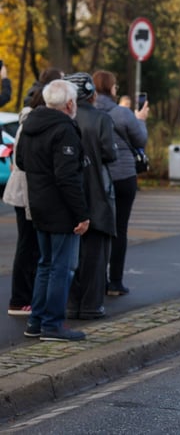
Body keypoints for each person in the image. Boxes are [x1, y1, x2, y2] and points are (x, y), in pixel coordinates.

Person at [16, 79, 90, 341]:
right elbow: (67, 177)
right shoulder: (64, 129)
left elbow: (21, 161)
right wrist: (82, 214)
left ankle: (36, 321)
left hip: (37, 204)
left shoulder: (30, 125)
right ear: (69, 103)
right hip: (61, 210)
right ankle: (52, 324)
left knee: (45, 264)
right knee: (61, 267)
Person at [3, 68, 64, 316]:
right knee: (27, 246)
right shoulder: (31, 123)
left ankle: (23, 297)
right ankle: (19, 299)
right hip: (24, 190)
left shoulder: (28, 120)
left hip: (25, 189)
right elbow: (23, 159)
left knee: (30, 246)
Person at [64, 73, 118, 320]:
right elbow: (110, 153)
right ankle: (90, 305)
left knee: (70, 256)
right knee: (96, 256)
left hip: (69, 193)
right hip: (97, 191)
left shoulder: (64, 119)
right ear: (92, 93)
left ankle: (70, 304)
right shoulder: (101, 119)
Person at [93, 70, 148, 296]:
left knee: (98, 229)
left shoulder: (86, 112)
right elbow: (140, 140)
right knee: (120, 229)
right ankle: (116, 282)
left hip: (97, 177)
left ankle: (98, 279)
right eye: (115, 86)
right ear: (110, 88)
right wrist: (141, 121)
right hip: (124, 175)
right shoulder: (122, 113)